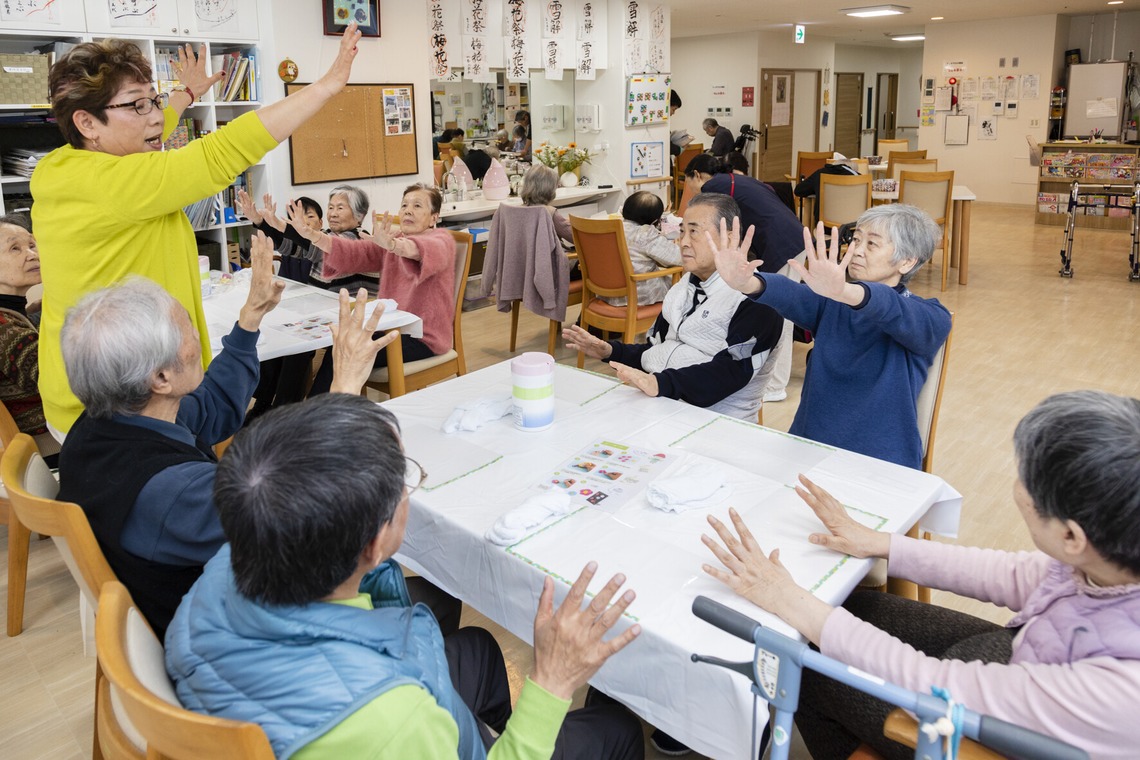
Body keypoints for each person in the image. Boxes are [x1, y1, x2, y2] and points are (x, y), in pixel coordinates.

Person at [165, 392, 646, 760]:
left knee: (477, 649)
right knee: (617, 727)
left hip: (284, 691)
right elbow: (392, 723)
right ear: (373, 545)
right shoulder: (393, 721)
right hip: (368, 717)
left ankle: (484, 735)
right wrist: (552, 680)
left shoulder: (234, 554)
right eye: (404, 482)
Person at [701, 390, 1140, 760]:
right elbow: (1015, 574)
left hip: (1015, 729)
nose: (1019, 484)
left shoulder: (1119, 689)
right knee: (845, 605)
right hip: (1026, 659)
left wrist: (791, 600)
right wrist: (881, 544)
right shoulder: (1108, 562)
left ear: (1071, 536)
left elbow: (935, 684)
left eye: (1027, 477)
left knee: (803, 664)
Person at [55, 235, 405, 639]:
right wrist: (344, 384)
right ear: (161, 378)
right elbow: (306, 518)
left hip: (203, 603)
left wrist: (251, 315)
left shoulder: (110, 419)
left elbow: (214, 405)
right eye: (188, 328)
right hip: (241, 634)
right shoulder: (172, 491)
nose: (197, 338)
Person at [32, 25, 364, 435]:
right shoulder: (116, 182)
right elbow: (219, 154)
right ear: (87, 123)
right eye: (137, 106)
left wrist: (181, 97)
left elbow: (156, 124)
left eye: (152, 100)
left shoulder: (62, 166)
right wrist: (326, 88)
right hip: (118, 408)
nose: (155, 116)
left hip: (90, 389)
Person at [712, 204, 952, 468]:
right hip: (807, 446)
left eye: (871, 244)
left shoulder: (930, 316)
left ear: (907, 261)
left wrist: (844, 291)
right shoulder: (831, 303)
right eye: (856, 239)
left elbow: (890, 308)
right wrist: (748, 282)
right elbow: (792, 294)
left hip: (881, 462)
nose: (856, 250)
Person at [564, 193, 783, 422]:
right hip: (662, 407)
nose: (683, 242)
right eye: (682, 232)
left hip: (717, 423)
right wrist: (610, 351)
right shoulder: (681, 290)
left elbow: (729, 373)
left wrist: (660, 383)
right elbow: (657, 350)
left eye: (694, 232)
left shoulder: (758, 299)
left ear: (729, 237)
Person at [291, 184, 456, 397]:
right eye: (404, 205)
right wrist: (314, 236)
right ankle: (323, 417)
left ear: (434, 217)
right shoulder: (395, 238)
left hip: (425, 338)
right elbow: (355, 253)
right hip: (391, 329)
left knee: (347, 353)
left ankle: (320, 419)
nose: (407, 210)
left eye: (417, 206)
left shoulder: (441, 241)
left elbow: (416, 250)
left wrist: (393, 246)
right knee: (342, 347)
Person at [685, 153, 806, 404]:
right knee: (781, 313)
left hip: (781, 245)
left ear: (696, 175)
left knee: (779, 314)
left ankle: (774, 386)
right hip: (792, 237)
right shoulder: (736, 179)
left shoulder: (712, 187)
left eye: (688, 184)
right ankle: (772, 380)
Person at [240, 185, 376, 294]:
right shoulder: (327, 234)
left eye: (340, 208)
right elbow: (295, 246)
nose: (333, 214)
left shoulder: (358, 238)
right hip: (322, 302)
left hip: (350, 309)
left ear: (360, 215)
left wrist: (280, 224)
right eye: (330, 207)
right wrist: (261, 222)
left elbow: (320, 245)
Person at [0, 214, 57, 462]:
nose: (32, 255)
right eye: (15, 248)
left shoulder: (16, 314)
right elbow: (56, 381)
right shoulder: (4, 328)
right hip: (49, 446)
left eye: (32, 245)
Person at [609, 191, 681, 307]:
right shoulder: (645, 234)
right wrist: (678, 245)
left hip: (606, 295)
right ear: (654, 220)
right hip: (639, 297)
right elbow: (678, 259)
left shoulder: (609, 228)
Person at [520, 164, 573, 245]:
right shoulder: (549, 212)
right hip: (546, 257)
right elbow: (575, 238)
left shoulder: (512, 211)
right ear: (550, 188)